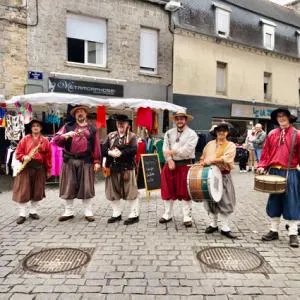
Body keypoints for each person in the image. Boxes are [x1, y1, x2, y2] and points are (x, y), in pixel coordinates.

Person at [257, 108, 300, 248]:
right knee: (274, 201)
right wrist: (263, 165)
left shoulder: (297, 134)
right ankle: (273, 231)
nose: (281, 118)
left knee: (291, 202)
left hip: (291, 172)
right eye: (278, 116)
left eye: (283, 116)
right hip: (274, 172)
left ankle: (293, 234)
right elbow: (266, 153)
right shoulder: (272, 134)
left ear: (289, 118)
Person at [53, 105, 101, 222]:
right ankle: (68, 211)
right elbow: (56, 140)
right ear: (75, 115)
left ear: (86, 114)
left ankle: (88, 212)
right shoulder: (67, 127)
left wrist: (97, 161)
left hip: (86, 161)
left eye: (82, 112)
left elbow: (96, 146)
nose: (80, 113)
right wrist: (65, 135)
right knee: (68, 187)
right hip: (69, 161)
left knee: (87, 187)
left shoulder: (92, 129)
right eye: (77, 112)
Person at [159, 111, 198, 227]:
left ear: (186, 120)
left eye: (182, 119)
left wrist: (173, 152)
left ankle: (187, 216)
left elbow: (188, 150)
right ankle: (167, 214)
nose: (179, 121)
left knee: (185, 191)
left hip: (185, 165)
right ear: (175, 120)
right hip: (170, 165)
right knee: (167, 189)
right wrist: (170, 159)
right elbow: (165, 148)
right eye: (177, 119)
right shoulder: (169, 133)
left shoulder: (192, 134)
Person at [200, 123, 237, 239]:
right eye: (219, 130)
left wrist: (211, 160)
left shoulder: (231, 145)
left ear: (227, 133)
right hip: (210, 176)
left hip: (224, 176)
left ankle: (225, 227)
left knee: (225, 200)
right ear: (215, 132)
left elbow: (226, 158)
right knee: (210, 199)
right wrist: (202, 161)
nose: (221, 132)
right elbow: (203, 157)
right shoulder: (209, 144)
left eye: (224, 130)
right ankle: (213, 224)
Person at [102, 114, 139, 225]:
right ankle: (116, 214)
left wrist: (121, 153)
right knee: (113, 193)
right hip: (113, 168)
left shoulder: (132, 136)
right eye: (119, 123)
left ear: (127, 124)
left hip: (127, 168)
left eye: (123, 122)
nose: (120, 125)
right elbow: (103, 148)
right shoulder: (111, 135)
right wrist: (109, 152)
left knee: (131, 192)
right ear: (116, 124)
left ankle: (134, 215)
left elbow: (133, 150)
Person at [12, 119, 52, 224]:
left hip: (39, 169)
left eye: (38, 126)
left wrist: (48, 170)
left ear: (41, 128)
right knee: (23, 191)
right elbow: (18, 153)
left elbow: (48, 157)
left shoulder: (45, 141)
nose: (35, 127)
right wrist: (24, 156)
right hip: (26, 168)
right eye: (33, 126)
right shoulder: (24, 139)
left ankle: (33, 211)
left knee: (37, 191)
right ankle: (22, 214)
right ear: (31, 128)